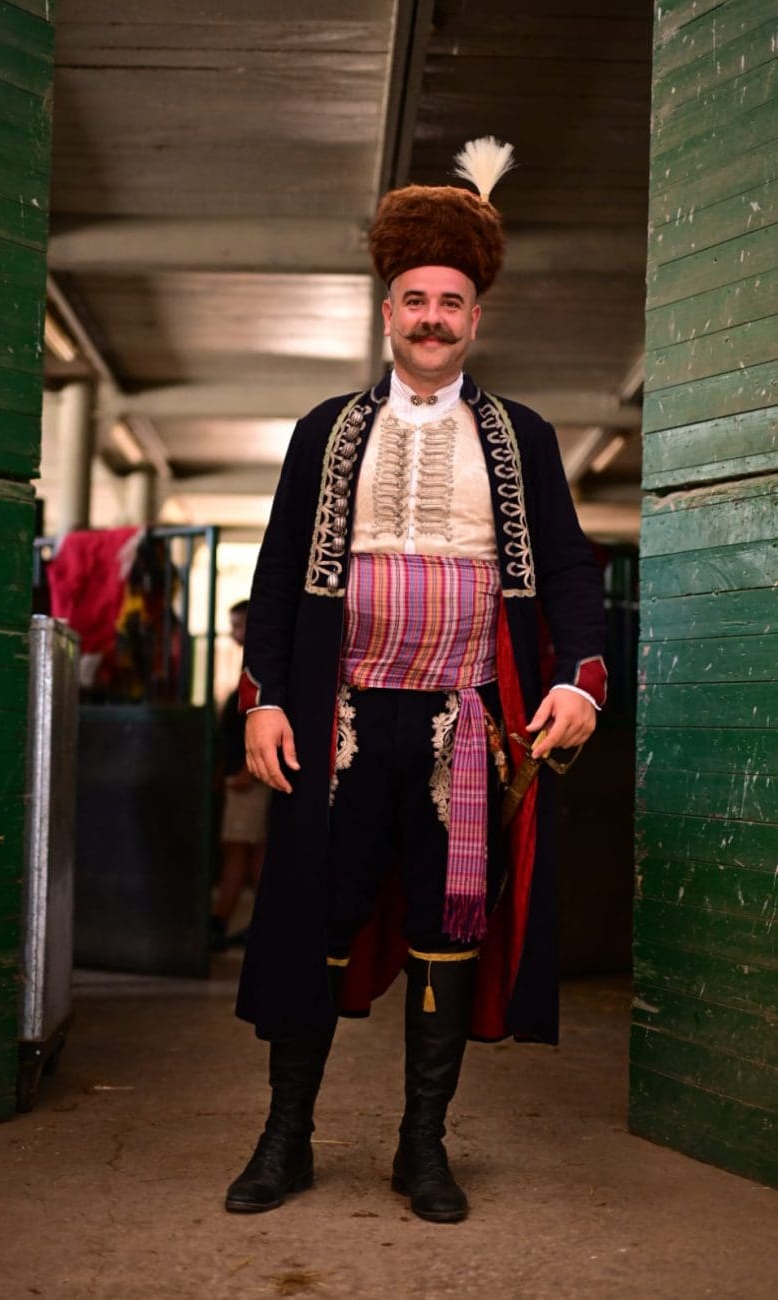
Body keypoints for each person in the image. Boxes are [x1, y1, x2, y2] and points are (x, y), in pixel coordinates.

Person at [225, 138, 607, 1223]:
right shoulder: (325, 431)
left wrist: (580, 682)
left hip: (463, 729)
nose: (432, 319)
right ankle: (285, 1140)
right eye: (414, 300)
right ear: (386, 311)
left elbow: (568, 574)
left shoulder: (523, 437)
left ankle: (422, 1148)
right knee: (314, 919)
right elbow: (276, 575)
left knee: (451, 923)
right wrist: (263, 699)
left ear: (475, 317)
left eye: (450, 302)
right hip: (335, 722)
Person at [209, 600, 271, 952]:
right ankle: (259, 927)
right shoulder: (251, 664)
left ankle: (222, 923)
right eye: (233, 625)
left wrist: (248, 769)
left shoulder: (263, 666)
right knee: (252, 850)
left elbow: (260, 716)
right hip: (245, 773)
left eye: (241, 624)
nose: (236, 633)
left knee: (240, 850)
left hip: (250, 777)